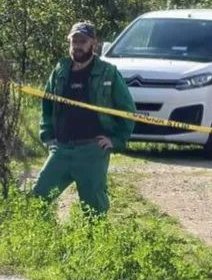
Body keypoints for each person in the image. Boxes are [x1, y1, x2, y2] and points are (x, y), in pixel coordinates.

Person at [33, 21, 136, 215]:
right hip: (61, 149)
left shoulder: (108, 72)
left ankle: (94, 244)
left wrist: (117, 140)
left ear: (94, 44)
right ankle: (47, 242)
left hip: (92, 151)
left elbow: (127, 110)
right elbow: (47, 105)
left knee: (94, 211)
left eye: (83, 41)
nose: (77, 46)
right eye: (74, 41)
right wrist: (48, 136)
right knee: (39, 196)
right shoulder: (60, 71)